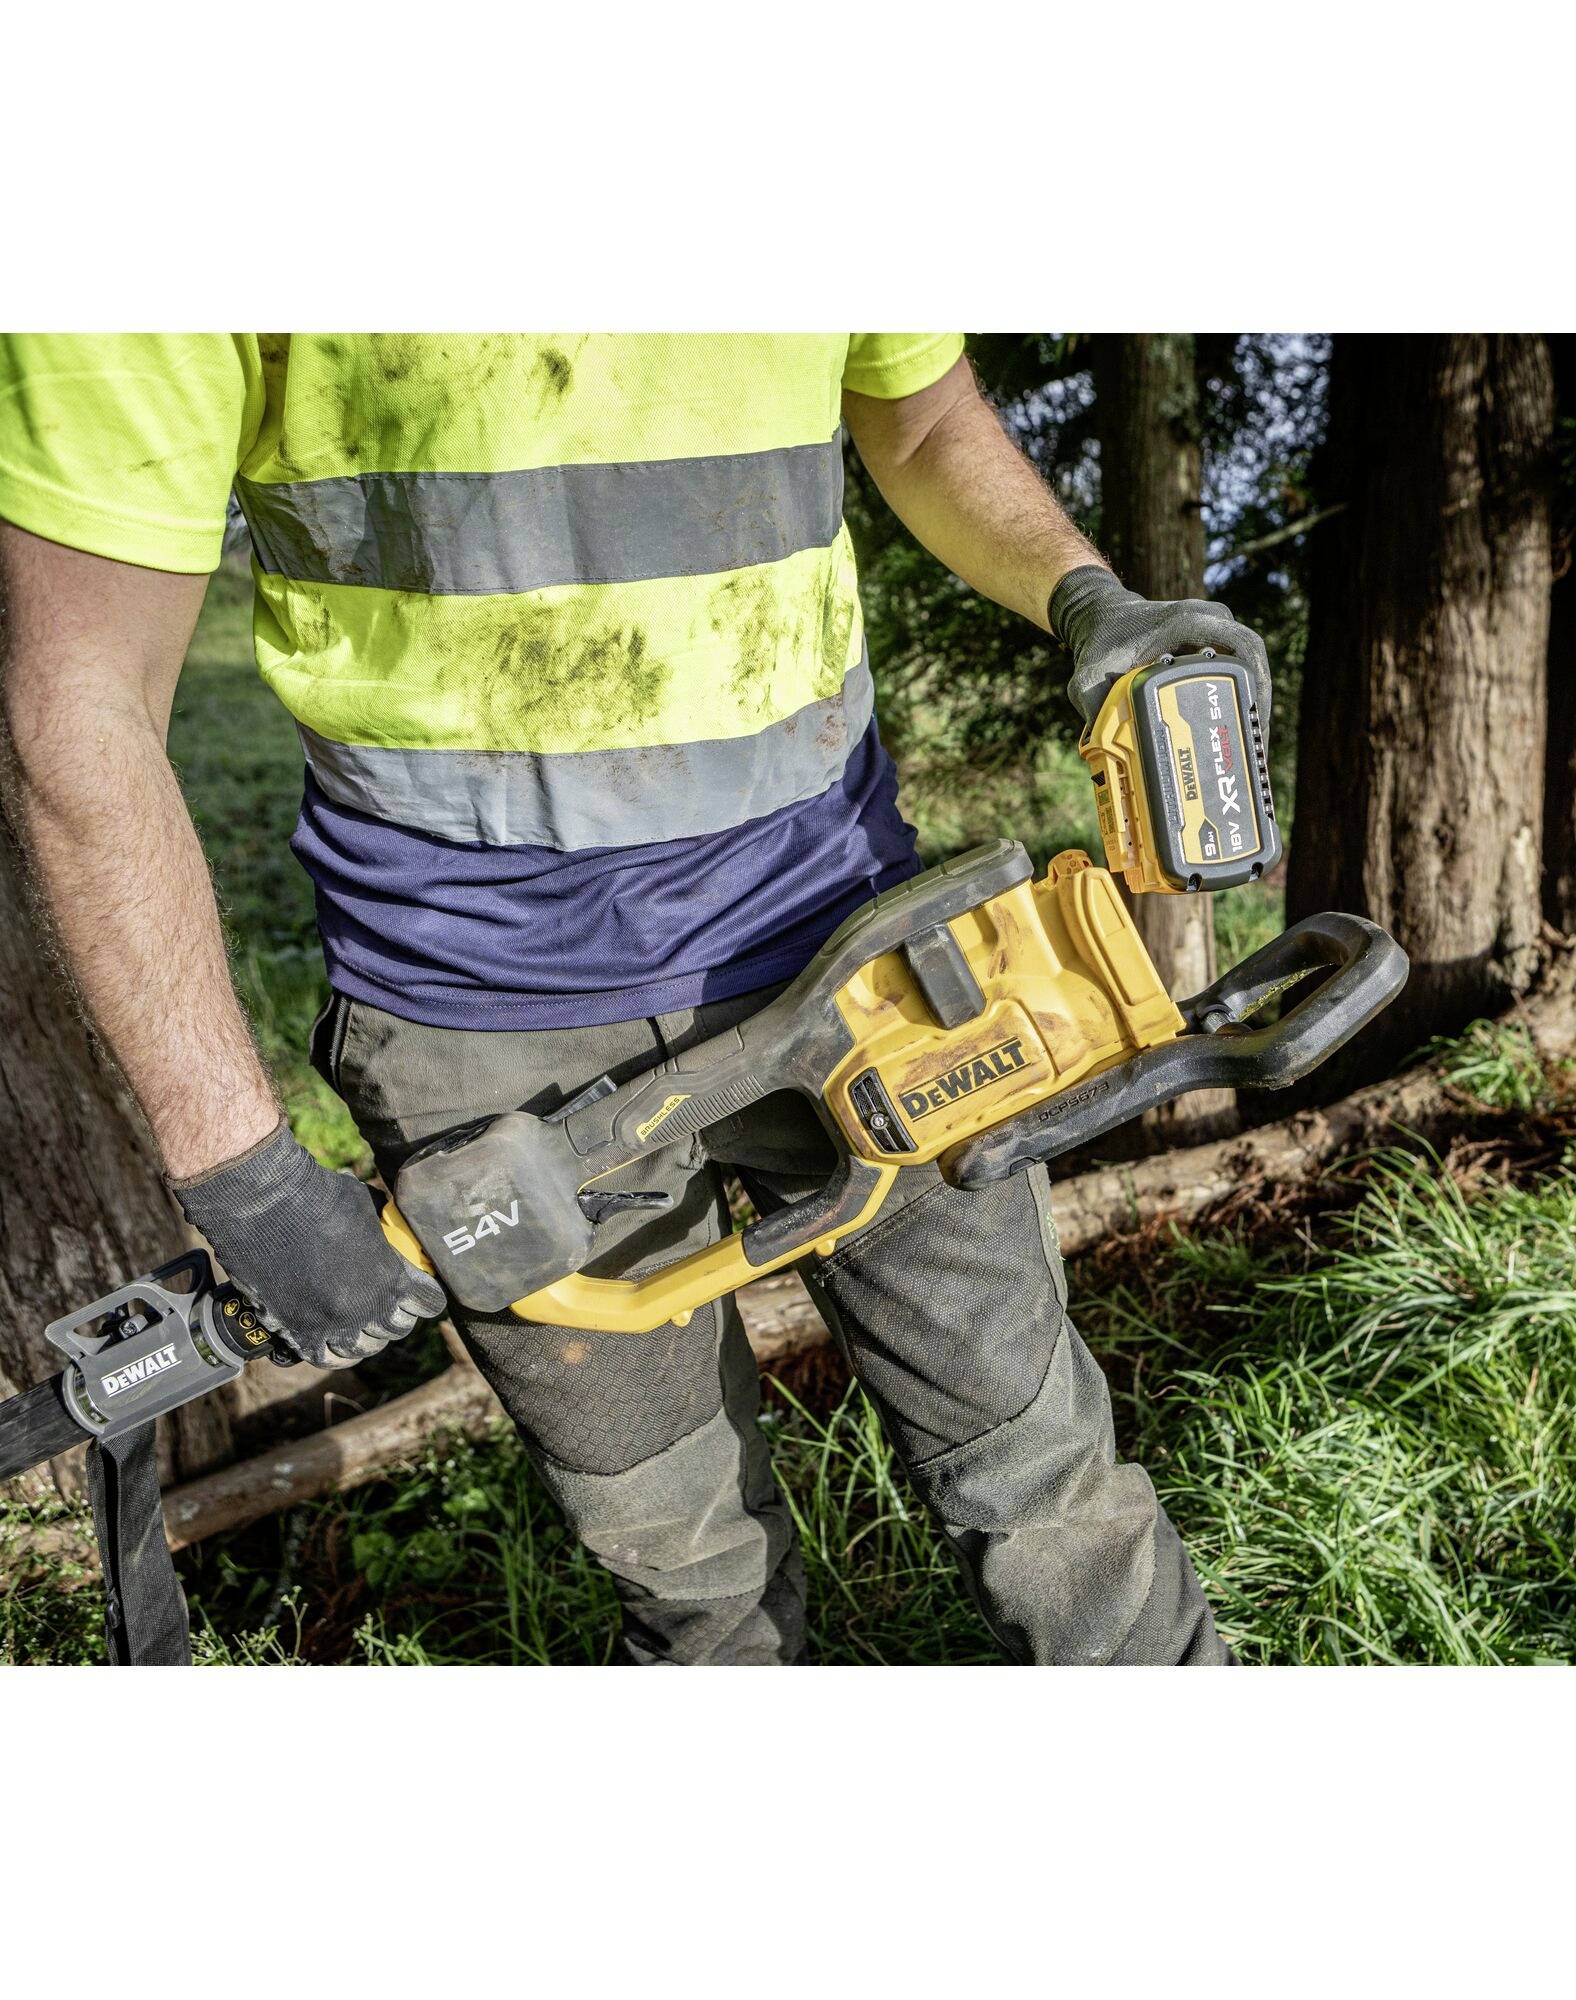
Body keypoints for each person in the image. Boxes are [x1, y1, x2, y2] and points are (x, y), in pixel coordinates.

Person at [0, 335, 1271, 1665]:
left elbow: (924, 421)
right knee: (689, 1578)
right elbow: (81, 696)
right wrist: (248, 1181)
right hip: (484, 1035)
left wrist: (1084, 596)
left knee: (1053, 1490)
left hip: (861, 955)